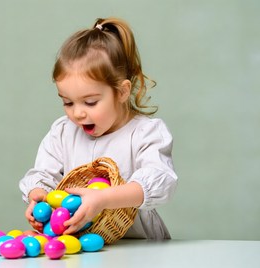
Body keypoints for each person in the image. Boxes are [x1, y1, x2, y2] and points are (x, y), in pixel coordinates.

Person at [19, 17, 178, 240]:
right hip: (80, 244)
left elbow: (161, 182)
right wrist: (38, 196)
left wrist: (104, 198)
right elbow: (44, 174)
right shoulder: (63, 132)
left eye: (90, 102)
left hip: (139, 245)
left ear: (122, 91)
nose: (78, 113)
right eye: (67, 102)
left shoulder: (145, 133)